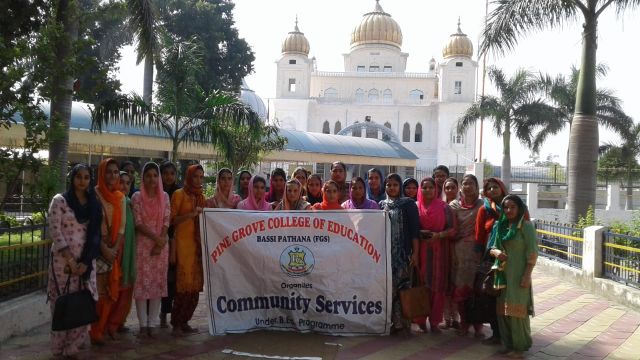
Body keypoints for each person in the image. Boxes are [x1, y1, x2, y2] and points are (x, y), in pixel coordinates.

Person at [47, 164, 101, 358]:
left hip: (85, 263)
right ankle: (58, 347)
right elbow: (55, 230)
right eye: (79, 176)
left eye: (86, 177)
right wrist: (70, 259)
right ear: (72, 178)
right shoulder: (60, 201)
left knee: (84, 301)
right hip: (63, 263)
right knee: (62, 303)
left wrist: (84, 263)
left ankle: (73, 347)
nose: (82, 181)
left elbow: (95, 235)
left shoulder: (94, 204)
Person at [489, 195, 537, 358]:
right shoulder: (500, 225)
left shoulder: (526, 227)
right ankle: (507, 344)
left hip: (519, 274)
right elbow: (492, 247)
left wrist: (526, 276)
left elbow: (532, 254)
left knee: (517, 312)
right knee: (503, 311)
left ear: (519, 208)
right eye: (506, 207)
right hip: (502, 275)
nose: (509, 210)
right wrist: (497, 252)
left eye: (513, 207)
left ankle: (519, 347)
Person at [131, 163, 170, 338]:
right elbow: (138, 223)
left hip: (161, 247)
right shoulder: (137, 197)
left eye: (155, 175)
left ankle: (152, 323)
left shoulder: (165, 196)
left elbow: (167, 220)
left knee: (157, 284)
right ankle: (143, 324)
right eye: (148, 175)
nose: (152, 179)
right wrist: (157, 240)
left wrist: (161, 242)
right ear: (143, 177)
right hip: (143, 247)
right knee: (141, 285)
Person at [90, 158, 126, 345]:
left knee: (111, 292)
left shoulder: (120, 197)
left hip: (113, 250)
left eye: (115, 172)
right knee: (99, 293)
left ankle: (101, 329)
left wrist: (114, 248)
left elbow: (121, 228)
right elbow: (90, 226)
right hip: (97, 249)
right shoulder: (94, 194)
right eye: (108, 171)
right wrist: (104, 249)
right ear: (102, 173)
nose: (112, 176)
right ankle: (95, 331)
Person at [379, 173, 420, 334]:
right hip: (386, 255)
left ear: (400, 187)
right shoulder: (381, 204)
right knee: (389, 289)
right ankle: (392, 323)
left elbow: (414, 230)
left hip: (403, 255)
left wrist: (415, 253)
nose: (391, 188)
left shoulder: (408, 203)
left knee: (404, 288)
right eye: (388, 185)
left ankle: (404, 322)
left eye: (395, 185)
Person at [414, 177, 455, 334]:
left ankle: (435, 322)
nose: (428, 190)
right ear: (420, 189)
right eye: (424, 187)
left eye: (431, 187)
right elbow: (409, 230)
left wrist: (439, 235)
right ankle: (420, 321)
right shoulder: (415, 207)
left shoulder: (445, 208)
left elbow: (453, 230)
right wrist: (419, 232)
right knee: (421, 285)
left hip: (439, 252)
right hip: (421, 251)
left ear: (436, 189)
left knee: (437, 288)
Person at [170, 164, 206, 335]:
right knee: (182, 287)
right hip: (183, 247)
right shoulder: (179, 195)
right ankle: (176, 323)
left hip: (197, 248)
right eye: (195, 176)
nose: (198, 180)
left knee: (195, 288)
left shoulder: (201, 197)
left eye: (201, 177)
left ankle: (185, 321)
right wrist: (191, 214)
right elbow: (172, 220)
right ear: (189, 176)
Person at [449, 174, 484, 338]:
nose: (468, 186)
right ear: (461, 187)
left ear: (477, 187)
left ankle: (478, 326)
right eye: (465, 183)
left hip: (477, 253)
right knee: (461, 290)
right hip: (459, 252)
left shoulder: (483, 206)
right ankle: (464, 323)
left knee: (477, 290)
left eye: (471, 183)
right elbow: (451, 229)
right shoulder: (454, 206)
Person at [475, 177, 508, 345]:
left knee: (508, 296)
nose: (493, 190)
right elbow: (480, 236)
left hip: (511, 257)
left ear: (502, 189)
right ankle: (496, 333)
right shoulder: (485, 209)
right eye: (490, 188)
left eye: (496, 187)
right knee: (490, 295)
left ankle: (511, 333)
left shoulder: (513, 206)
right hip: (490, 258)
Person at [110, 171, 136, 335]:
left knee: (126, 288)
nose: (125, 186)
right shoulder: (112, 202)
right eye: (122, 182)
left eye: (128, 183)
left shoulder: (129, 203)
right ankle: (109, 324)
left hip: (129, 251)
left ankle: (119, 322)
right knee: (113, 287)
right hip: (115, 250)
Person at [160, 161, 180, 328]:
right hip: (153, 240)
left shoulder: (178, 193)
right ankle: (154, 315)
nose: (168, 176)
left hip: (174, 240)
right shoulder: (152, 192)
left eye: (172, 173)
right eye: (165, 173)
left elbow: (174, 220)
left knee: (170, 279)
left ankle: (166, 311)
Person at [441, 177, 461, 330]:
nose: (450, 191)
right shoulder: (441, 206)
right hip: (442, 248)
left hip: (458, 248)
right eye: (447, 188)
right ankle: (446, 318)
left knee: (456, 284)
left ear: (458, 188)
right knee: (445, 284)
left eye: (452, 187)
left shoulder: (461, 206)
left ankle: (457, 317)